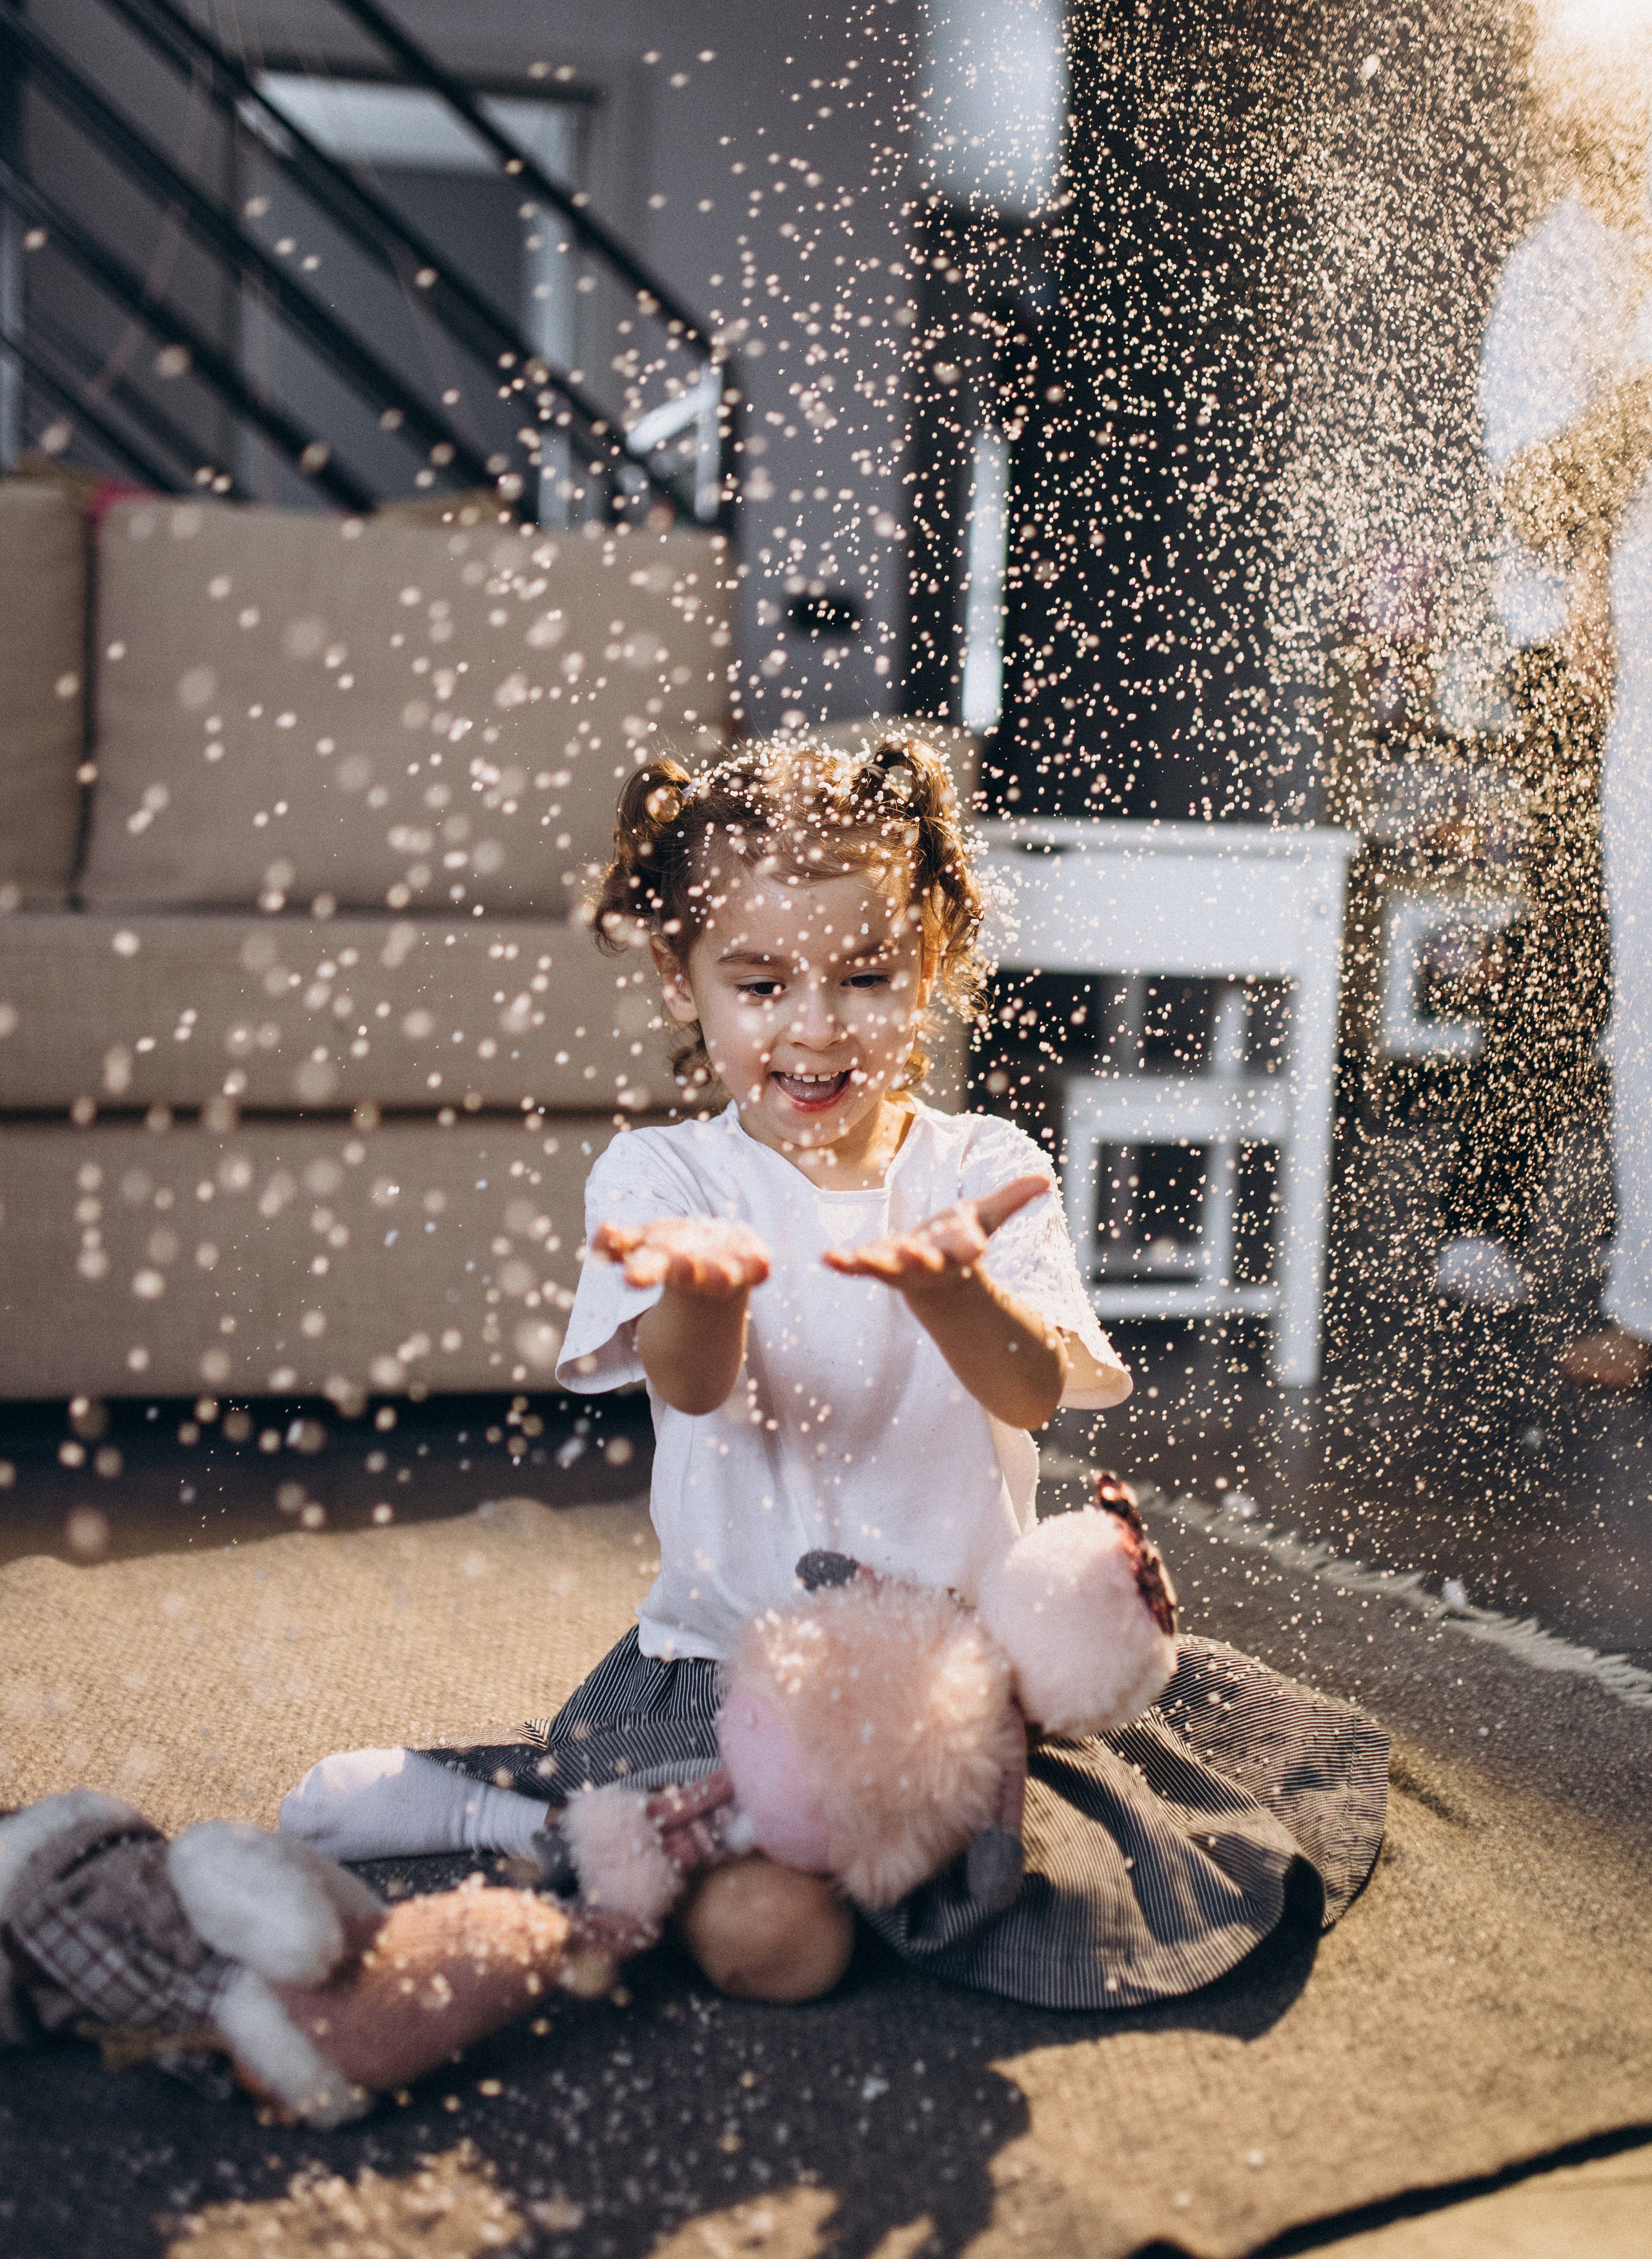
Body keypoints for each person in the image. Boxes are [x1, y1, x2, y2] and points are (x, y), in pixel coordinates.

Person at [284, 731, 1385, 2007]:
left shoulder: (980, 1166)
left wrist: (946, 1289)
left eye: (865, 976)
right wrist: (705, 1288)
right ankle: (492, 1807)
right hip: (733, 1668)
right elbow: (690, 1387)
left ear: (932, 962)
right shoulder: (666, 1179)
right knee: (776, 1944)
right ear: (676, 976)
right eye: (758, 985)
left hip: (957, 1680)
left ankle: (653, 1833)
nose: (814, 1028)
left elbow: (1031, 1392)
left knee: (1037, 1885)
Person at [1479, 89, 1652, 1384]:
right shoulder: (1563, 266)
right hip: (1607, 666)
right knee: (1610, 971)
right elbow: (1539, 494)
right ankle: (1624, 1282)